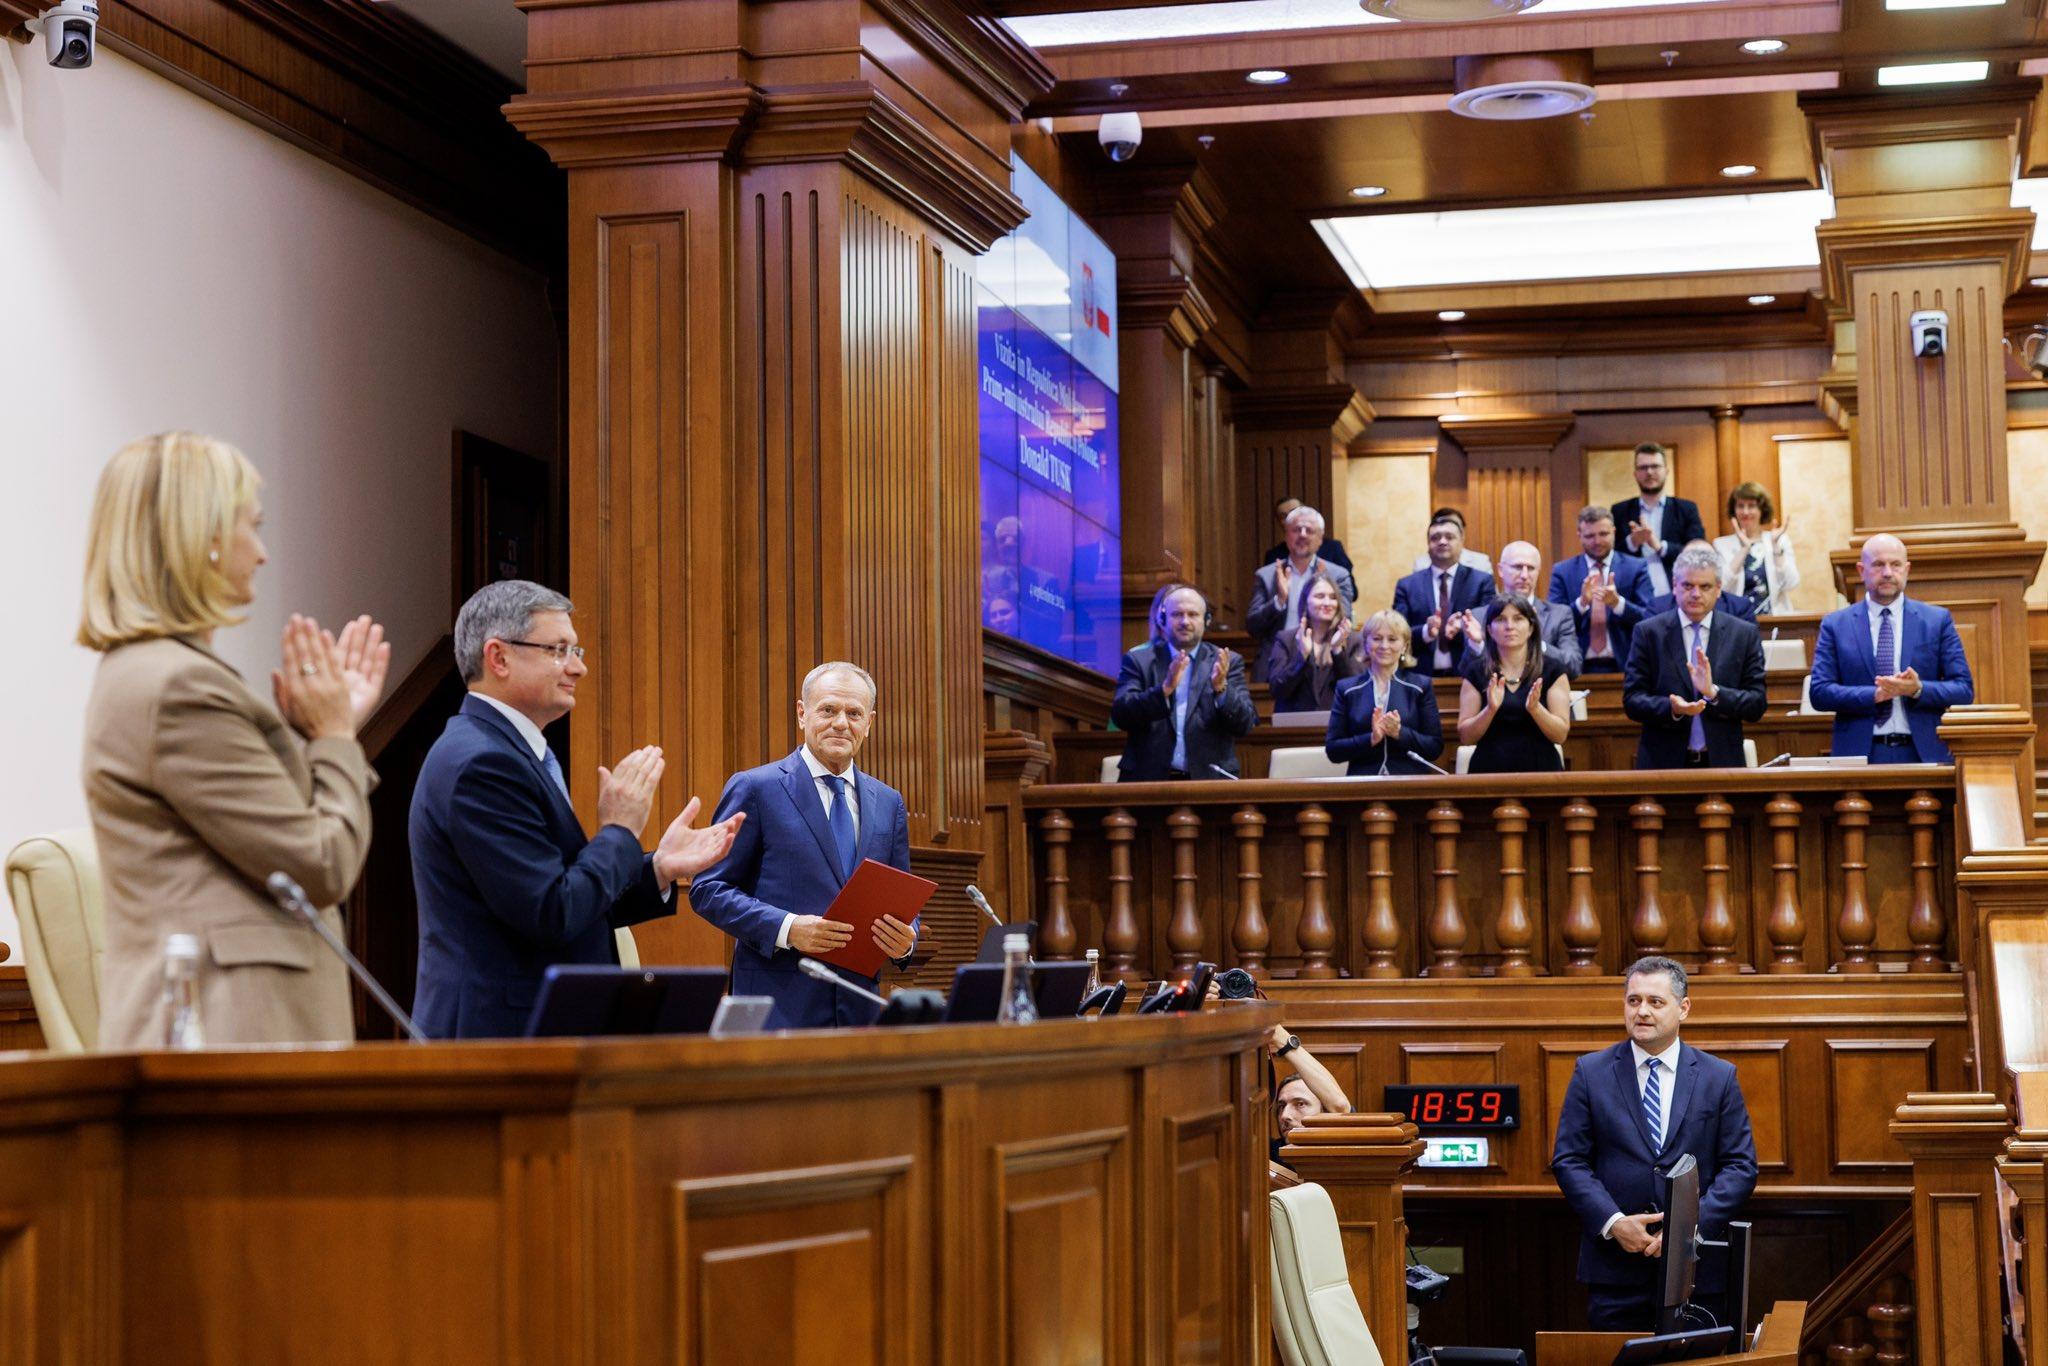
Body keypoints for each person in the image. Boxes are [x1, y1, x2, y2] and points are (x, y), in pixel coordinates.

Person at [78, 432, 392, 1049]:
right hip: (231, 1029)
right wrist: (332, 736)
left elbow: (270, 838)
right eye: (253, 525)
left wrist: (337, 730)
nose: (263, 552)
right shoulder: (179, 688)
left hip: (237, 1022)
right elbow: (319, 864)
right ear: (205, 541)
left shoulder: (158, 673)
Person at [409, 580, 743, 1039]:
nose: (578, 668)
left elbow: (567, 895)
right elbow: (552, 912)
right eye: (559, 650)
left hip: (530, 1033)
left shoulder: (513, 752)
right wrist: (620, 830)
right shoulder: (482, 764)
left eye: (577, 650)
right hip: (497, 1039)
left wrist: (659, 870)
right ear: (498, 657)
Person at [687, 663, 916, 1029]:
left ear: (869, 723)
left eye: (854, 713)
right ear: (801, 713)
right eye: (828, 710)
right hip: (777, 1008)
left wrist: (907, 939)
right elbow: (708, 890)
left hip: (860, 1011)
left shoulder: (889, 802)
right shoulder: (756, 788)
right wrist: (788, 928)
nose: (841, 723)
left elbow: (902, 900)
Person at [1551, 957, 1758, 1332]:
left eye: (1655, 1002)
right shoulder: (1591, 1072)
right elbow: (1569, 1161)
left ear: (1683, 1008)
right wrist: (1614, 1223)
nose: (1642, 1011)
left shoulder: (1718, 1077)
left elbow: (1741, 1167)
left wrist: (1688, 1232)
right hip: (1615, 1272)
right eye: (1633, 1001)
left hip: (1696, 1271)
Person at [1809, 534, 1974, 764]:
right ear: (1861, 570)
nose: (1887, 572)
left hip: (1923, 753)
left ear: (1906, 569)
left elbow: (1964, 690)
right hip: (1859, 755)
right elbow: (1819, 693)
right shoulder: (1836, 624)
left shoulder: (1936, 620)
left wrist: (1917, 689)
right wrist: (1874, 695)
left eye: (1895, 564)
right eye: (1878, 564)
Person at [1623, 546, 1767, 769]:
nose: (1696, 594)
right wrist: (1673, 708)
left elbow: (1757, 704)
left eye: (1705, 586)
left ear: (1718, 589)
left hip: (1723, 764)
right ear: (1674, 587)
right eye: (1688, 585)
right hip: (1663, 765)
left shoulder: (1743, 634)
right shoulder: (1648, 632)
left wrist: (1714, 693)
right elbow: (1632, 700)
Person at [1112, 584, 1257, 780]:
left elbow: (1245, 724)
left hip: (1208, 784)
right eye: (1177, 614)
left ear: (1206, 621)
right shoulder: (1139, 660)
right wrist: (1164, 690)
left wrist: (1221, 689)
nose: (1185, 621)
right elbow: (1121, 714)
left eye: (1193, 614)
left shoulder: (1227, 661)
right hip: (1148, 782)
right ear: (1162, 620)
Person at [1457, 594, 1573, 774]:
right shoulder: (1476, 671)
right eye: (1501, 619)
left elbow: (1560, 735)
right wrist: (1489, 710)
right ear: (1489, 629)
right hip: (1488, 772)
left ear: (1531, 627)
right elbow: (1466, 737)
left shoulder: (1553, 669)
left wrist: (1536, 709)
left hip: (1542, 770)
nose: (1509, 626)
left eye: (1518, 619)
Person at [1326, 610, 1443, 776]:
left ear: (1404, 646)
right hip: (1362, 784)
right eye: (1377, 638)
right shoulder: (1347, 689)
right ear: (1366, 643)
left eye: (1393, 639)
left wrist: (1400, 733)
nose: (1384, 646)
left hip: (1410, 783)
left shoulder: (1420, 686)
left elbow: (1434, 748)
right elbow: (1333, 751)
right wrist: (1371, 739)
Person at [1549, 505, 1653, 674]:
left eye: (1603, 534)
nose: (1597, 541)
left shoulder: (1636, 568)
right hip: (1576, 668)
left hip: (1626, 666)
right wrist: (1581, 604)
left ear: (1614, 531)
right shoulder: (1562, 571)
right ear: (1579, 536)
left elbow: (1649, 618)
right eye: (1589, 536)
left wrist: (1618, 604)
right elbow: (1552, 624)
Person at [1248, 505, 1356, 660]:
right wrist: (1278, 601)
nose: (1303, 535)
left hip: (1323, 661)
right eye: (1296, 530)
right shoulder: (1266, 575)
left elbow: (1345, 623)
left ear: (1320, 539)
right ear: (1286, 536)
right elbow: (1253, 627)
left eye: (1310, 531)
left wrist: (1321, 594)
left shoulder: (1338, 575)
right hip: (1276, 661)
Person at [1393, 514, 1493, 677]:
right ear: (1428, 543)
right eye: (1435, 537)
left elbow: (1490, 628)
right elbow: (1397, 632)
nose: (1442, 541)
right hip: (1420, 676)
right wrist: (1427, 631)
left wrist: (1462, 627)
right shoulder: (1407, 585)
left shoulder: (1481, 581)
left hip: (1469, 675)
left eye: (1449, 537)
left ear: (1462, 541)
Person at [1476, 540, 1582, 678]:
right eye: (1518, 567)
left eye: (1531, 568)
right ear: (1500, 570)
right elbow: (1466, 672)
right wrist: (1477, 644)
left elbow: (1573, 667)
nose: (1525, 575)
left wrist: (1536, 643)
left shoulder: (1559, 615)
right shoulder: (1478, 616)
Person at [1612, 442, 1705, 600]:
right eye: (1643, 467)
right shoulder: (1620, 510)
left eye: (1655, 466)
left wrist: (1660, 546)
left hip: (1678, 593)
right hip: (1632, 596)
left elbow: (1698, 552)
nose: (1649, 472)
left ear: (1666, 471)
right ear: (1635, 473)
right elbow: (1611, 556)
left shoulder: (1685, 509)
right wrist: (1632, 542)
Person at [1263, 575, 1366, 713]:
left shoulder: (1353, 640)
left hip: (1338, 725)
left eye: (1332, 597)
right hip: (1295, 726)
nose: (1327, 602)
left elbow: (1356, 692)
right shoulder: (1286, 639)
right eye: (1320, 596)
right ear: (1305, 601)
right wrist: (1301, 657)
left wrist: (1337, 651)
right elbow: (1277, 690)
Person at [1270, 1027, 1354, 1180]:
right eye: (1281, 1106)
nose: (1285, 1116)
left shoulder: (1340, 1147)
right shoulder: (1271, 1151)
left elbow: (1340, 1106)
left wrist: (1281, 1038)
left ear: (1325, 1111)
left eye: (1300, 1104)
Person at [1712, 482, 1800, 616]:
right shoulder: (1721, 545)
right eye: (1740, 506)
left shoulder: (1779, 540)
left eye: (1751, 506)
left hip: (1775, 620)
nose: (1745, 512)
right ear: (1734, 510)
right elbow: (1720, 587)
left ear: (1762, 510)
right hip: (1736, 622)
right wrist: (1744, 549)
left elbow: (1791, 583)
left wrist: (1776, 547)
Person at [1263, 496, 1355, 574]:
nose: (1290, 517)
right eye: (1283, 516)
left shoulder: (1333, 548)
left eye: (1294, 511)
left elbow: (1350, 590)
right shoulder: (1274, 556)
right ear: (1279, 523)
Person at [1408, 506, 1494, 575]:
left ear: (1462, 534)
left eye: (1449, 535)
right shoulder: (1421, 564)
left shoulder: (1480, 562)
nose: (1443, 541)